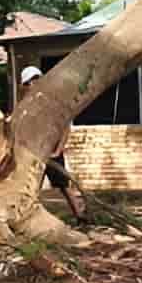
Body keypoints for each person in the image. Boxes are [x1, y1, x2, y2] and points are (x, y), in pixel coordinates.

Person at [19, 65, 87, 220]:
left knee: (63, 185)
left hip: (52, 151)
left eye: (36, 80)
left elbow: (65, 126)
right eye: (29, 82)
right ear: (25, 86)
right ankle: (26, 217)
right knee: (31, 186)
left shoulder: (52, 101)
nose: (33, 85)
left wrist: (58, 150)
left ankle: (80, 216)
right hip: (34, 152)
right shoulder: (27, 105)